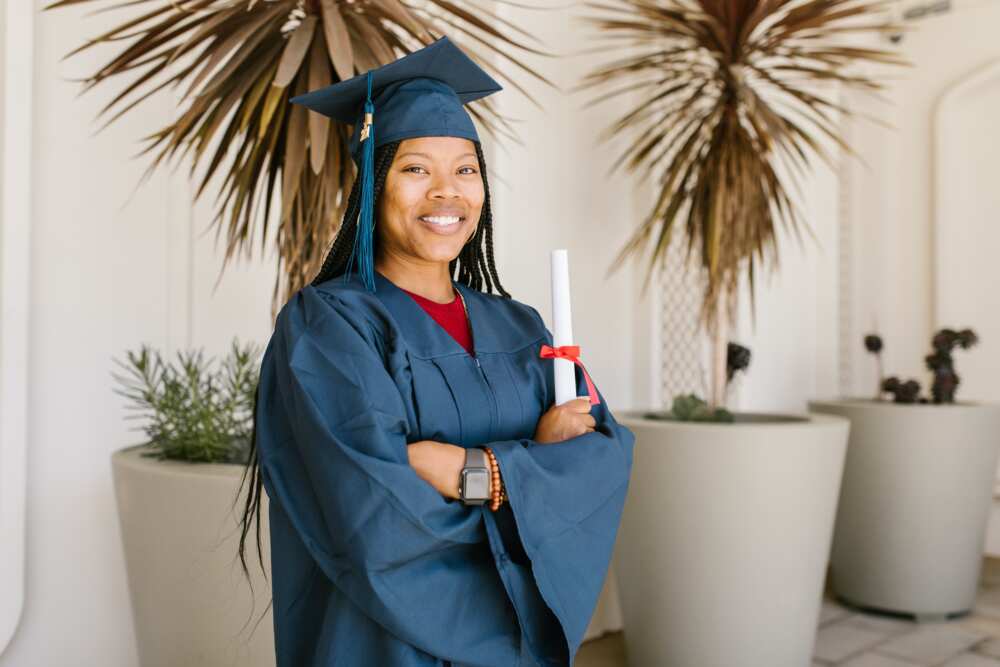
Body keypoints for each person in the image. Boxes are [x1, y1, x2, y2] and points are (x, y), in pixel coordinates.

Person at [237, 36, 635, 667]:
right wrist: (534, 473)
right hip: (379, 645)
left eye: (466, 170)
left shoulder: (522, 327)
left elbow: (602, 460)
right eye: (416, 169)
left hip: (516, 647)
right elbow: (372, 517)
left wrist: (475, 472)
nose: (446, 193)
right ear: (373, 185)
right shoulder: (328, 326)